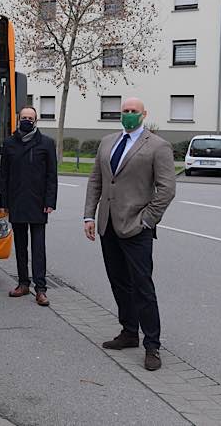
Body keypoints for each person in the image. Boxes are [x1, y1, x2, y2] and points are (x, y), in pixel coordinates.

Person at [83, 97, 175, 371]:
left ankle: (152, 346)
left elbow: (166, 189)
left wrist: (147, 220)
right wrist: (89, 215)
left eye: (134, 111)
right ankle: (128, 332)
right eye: (125, 111)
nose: (129, 115)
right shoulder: (108, 141)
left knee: (142, 286)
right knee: (119, 282)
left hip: (136, 227)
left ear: (144, 114)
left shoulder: (158, 146)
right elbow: (96, 180)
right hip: (107, 225)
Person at [0, 106, 57, 306]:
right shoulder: (9, 143)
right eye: (23, 117)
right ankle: (23, 284)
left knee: (38, 248)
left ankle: (40, 289)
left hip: (39, 204)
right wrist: (4, 203)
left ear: (36, 120)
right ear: (18, 119)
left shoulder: (46, 143)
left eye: (30, 118)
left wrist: (50, 202)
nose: (26, 120)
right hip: (16, 202)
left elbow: (52, 176)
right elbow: (4, 176)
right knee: (20, 246)